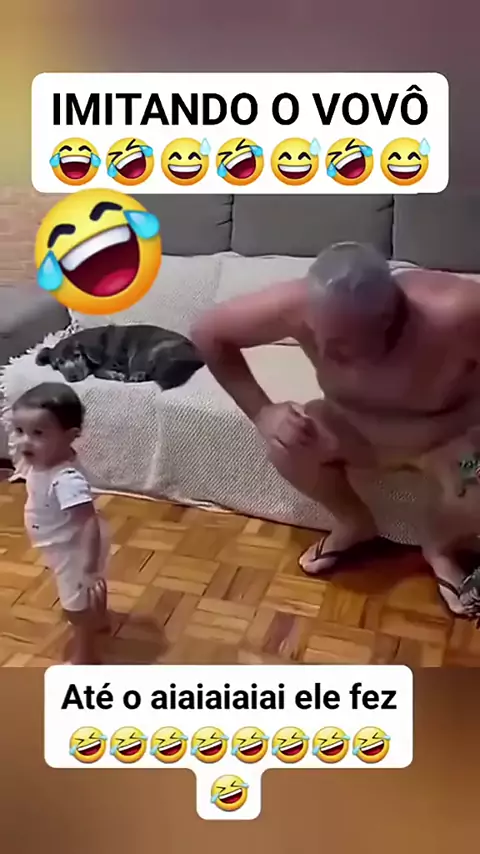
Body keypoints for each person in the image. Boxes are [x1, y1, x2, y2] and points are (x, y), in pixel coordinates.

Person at [190, 241, 480, 620]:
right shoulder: (297, 304)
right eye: (318, 334)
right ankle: (354, 523)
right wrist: (263, 413)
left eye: (342, 345)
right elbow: (208, 332)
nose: (325, 352)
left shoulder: (455, 313)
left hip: (448, 442)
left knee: (476, 478)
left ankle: (439, 547)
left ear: (386, 320)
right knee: (288, 444)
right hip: (354, 431)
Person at [11, 382, 109, 663]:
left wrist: (88, 566)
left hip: (76, 549)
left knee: (77, 608)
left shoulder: (65, 479)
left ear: (70, 436)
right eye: (19, 431)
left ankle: (86, 657)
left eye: (38, 433)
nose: (25, 441)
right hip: (62, 544)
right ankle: (100, 619)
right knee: (90, 590)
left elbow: (88, 522)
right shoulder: (43, 461)